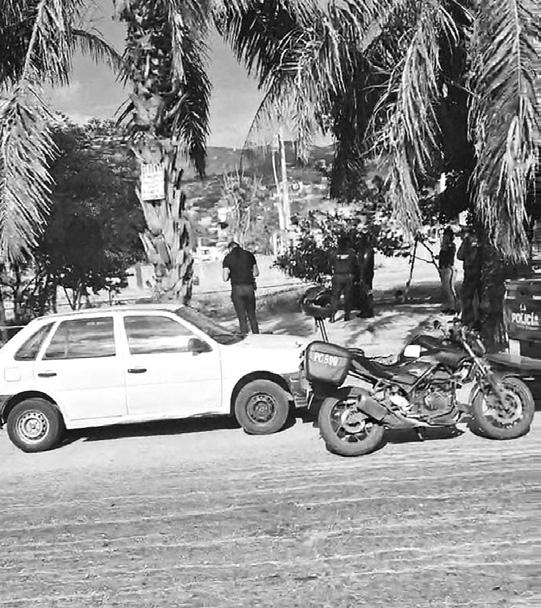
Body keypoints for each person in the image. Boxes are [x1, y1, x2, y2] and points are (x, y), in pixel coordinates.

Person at [222, 241, 259, 334]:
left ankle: (244, 336)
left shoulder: (228, 258)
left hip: (237, 289)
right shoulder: (249, 255)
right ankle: (257, 336)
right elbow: (256, 273)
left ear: (230, 249)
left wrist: (231, 274)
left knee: (242, 317)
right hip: (249, 288)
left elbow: (225, 278)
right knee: (252, 316)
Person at [457, 227, 481, 327]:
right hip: (478, 271)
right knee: (476, 296)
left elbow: (460, 255)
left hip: (471, 271)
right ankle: (475, 318)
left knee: (467, 295)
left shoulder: (468, 242)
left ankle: (469, 319)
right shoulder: (479, 241)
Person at [330, 236, 357, 322]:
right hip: (348, 277)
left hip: (337, 276)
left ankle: (332, 316)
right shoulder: (351, 253)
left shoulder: (334, 253)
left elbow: (330, 263)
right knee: (348, 297)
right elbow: (355, 265)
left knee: (335, 297)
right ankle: (347, 316)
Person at [438, 226, 458, 314]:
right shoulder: (444, 246)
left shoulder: (450, 245)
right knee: (445, 289)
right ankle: (448, 306)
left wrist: (444, 249)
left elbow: (449, 256)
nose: (444, 237)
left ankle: (453, 307)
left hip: (448, 268)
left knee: (449, 288)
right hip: (443, 267)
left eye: (446, 235)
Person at [355, 233, 375, 318]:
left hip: (366, 273)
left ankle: (368, 310)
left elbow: (365, 264)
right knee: (363, 292)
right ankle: (364, 309)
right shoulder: (363, 251)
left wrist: (362, 276)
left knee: (366, 292)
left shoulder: (367, 251)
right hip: (364, 273)